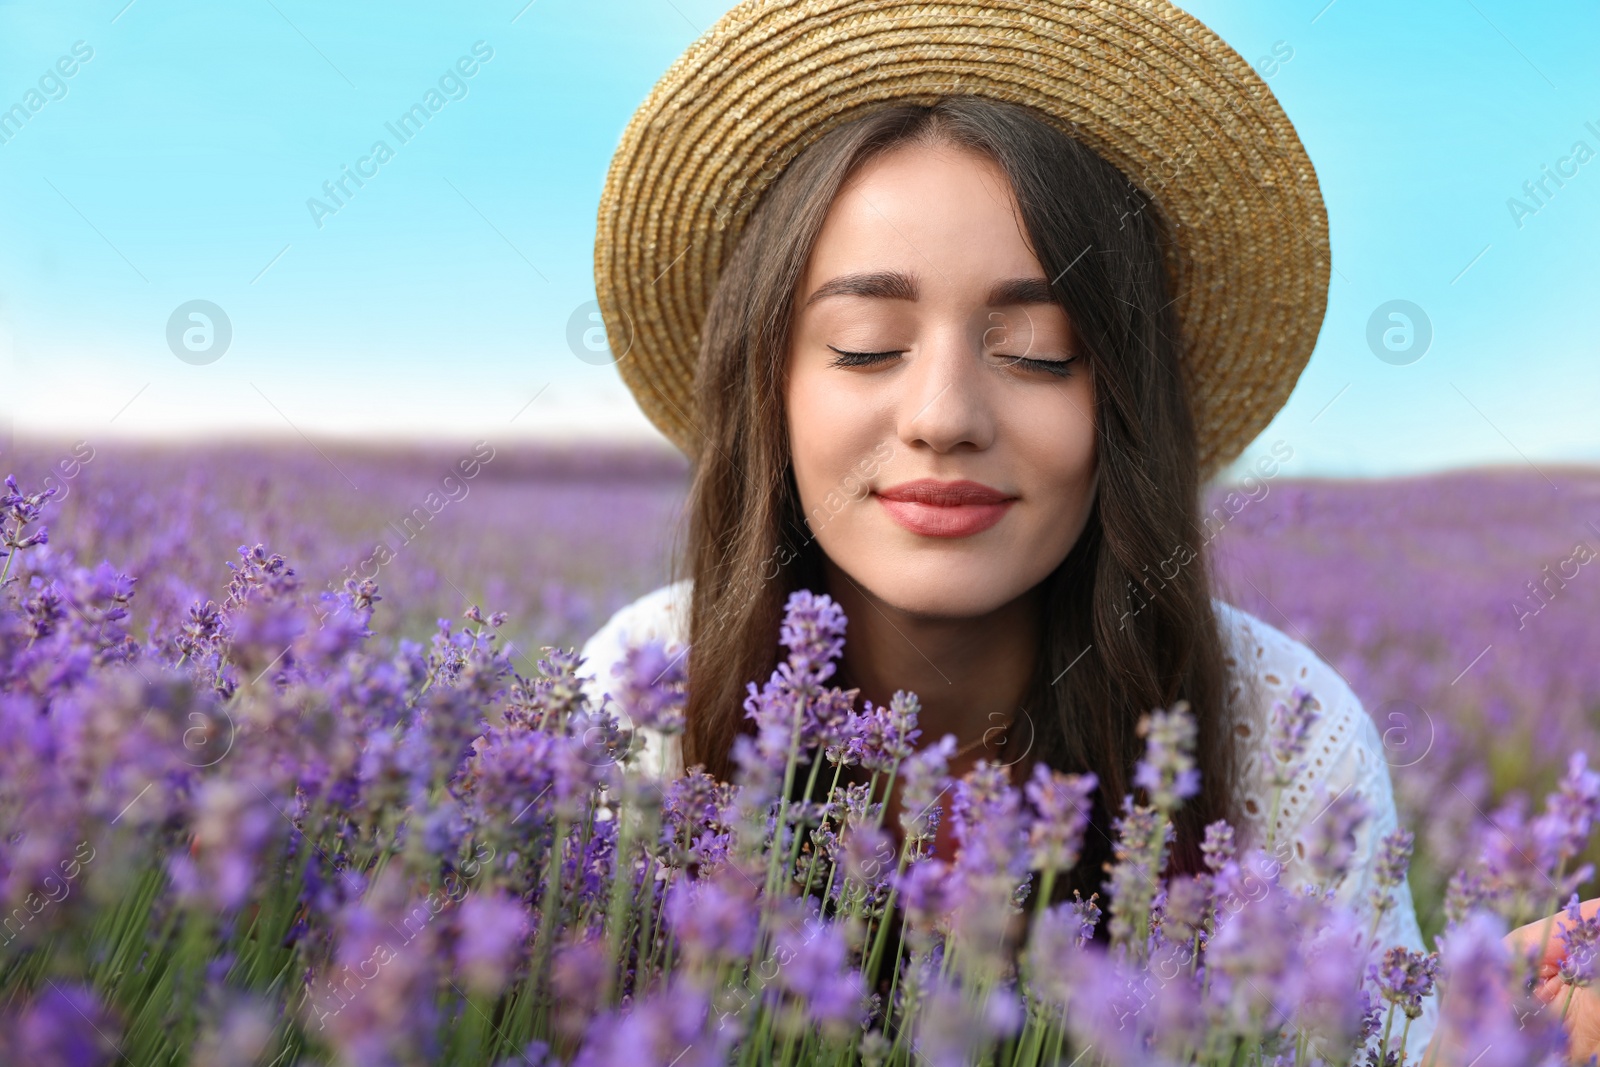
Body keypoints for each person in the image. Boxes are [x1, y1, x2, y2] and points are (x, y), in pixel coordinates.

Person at [574, 1, 1595, 1061]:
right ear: (768, 384)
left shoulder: (1285, 734)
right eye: (867, 343)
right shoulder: (645, 690)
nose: (942, 416)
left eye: (1036, 350)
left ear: (1120, 399)